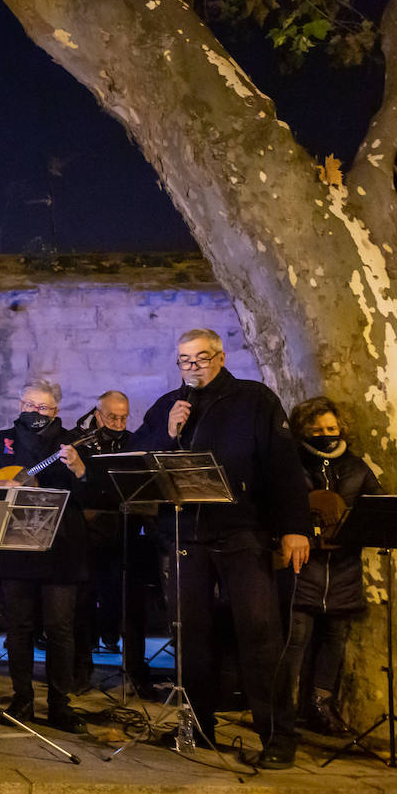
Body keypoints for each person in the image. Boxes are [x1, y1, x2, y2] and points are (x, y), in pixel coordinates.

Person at [132, 328, 311, 769]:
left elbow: (283, 467)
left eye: (201, 358)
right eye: (184, 360)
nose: (192, 367)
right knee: (190, 639)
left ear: (221, 357)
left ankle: (277, 736)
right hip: (185, 536)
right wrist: (167, 434)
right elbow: (139, 460)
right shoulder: (167, 407)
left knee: (259, 635)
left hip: (241, 533)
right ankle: (196, 728)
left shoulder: (255, 400)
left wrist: (294, 527)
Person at [0, 379, 90, 734]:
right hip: (16, 546)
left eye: (43, 408)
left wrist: (80, 469)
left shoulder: (72, 444)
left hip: (61, 549)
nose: (35, 413)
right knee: (18, 628)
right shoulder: (3, 441)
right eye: (30, 405)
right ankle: (22, 698)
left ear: (56, 411)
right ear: (20, 404)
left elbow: (95, 492)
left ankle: (59, 704)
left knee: (59, 629)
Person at [281, 396, 382, 735]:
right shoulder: (292, 464)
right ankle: (284, 708)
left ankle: (322, 705)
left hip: (342, 569)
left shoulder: (356, 467)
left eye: (331, 428)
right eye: (317, 429)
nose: (326, 434)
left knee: (334, 638)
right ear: (303, 430)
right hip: (303, 566)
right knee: (296, 637)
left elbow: (377, 507)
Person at [68, 390, 161, 697]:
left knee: (132, 607)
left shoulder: (136, 442)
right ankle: (81, 671)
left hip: (127, 534)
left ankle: (136, 671)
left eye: (124, 417)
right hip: (88, 536)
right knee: (82, 605)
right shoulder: (80, 443)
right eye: (112, 417)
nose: (119, 423)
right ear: (97, 414)